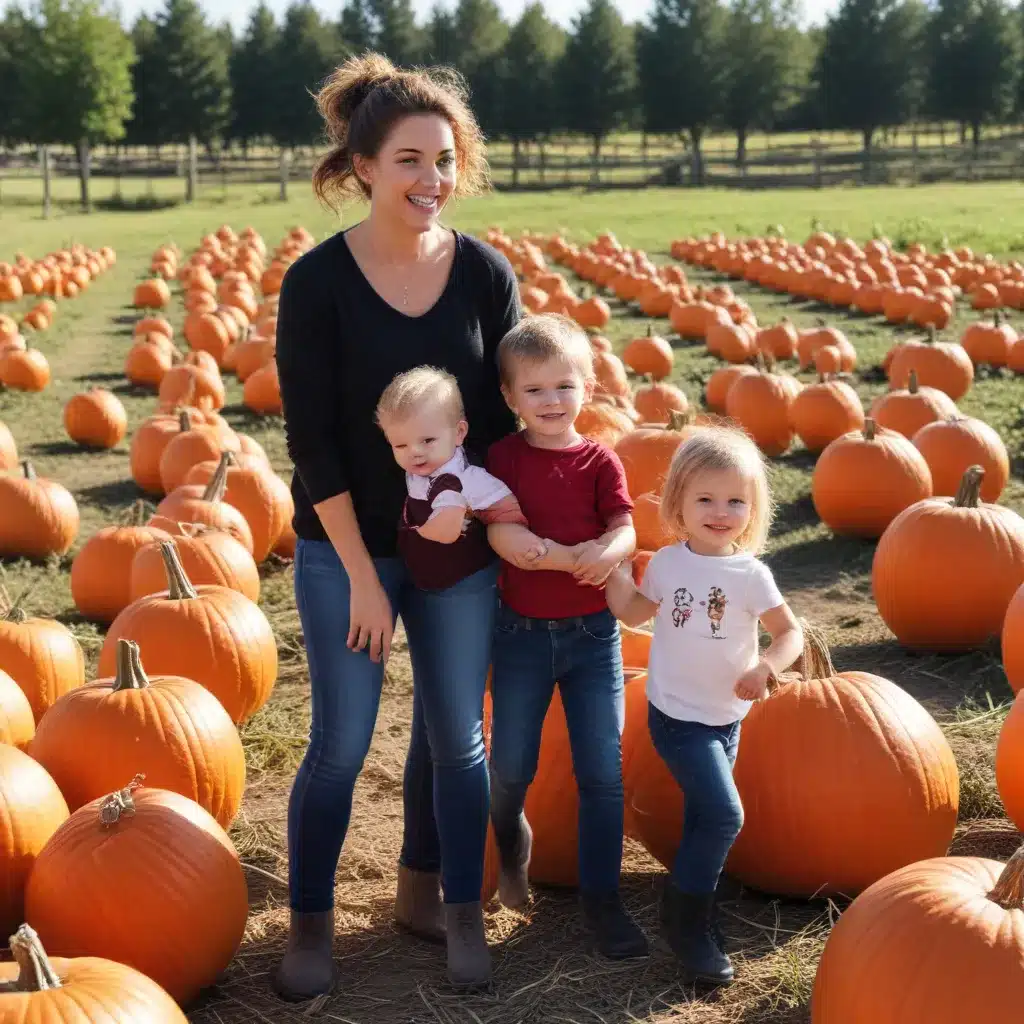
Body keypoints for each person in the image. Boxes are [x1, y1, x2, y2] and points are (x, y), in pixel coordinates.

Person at [273, 51, 523, 999]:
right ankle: (309, 923)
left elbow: (498, 427)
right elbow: (314, 444)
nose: (432, 179)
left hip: (457, 554)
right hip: (351, 551)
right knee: (341, 743)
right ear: (365, 167)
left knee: (459, 737)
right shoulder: (318, 284)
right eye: (411, 160)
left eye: (447, 160)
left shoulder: (486, 274)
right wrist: (366, 577)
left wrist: (508, 528)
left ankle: (459, 910)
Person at [604, 424, 804, 985]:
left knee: (701, 817)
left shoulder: (751, 575)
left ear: (754, 508)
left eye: (735, 500)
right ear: (679, 505)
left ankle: (700, 910)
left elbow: (792, 635)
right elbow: (634, 614)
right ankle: (684, 921)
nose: (721, 512)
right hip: (675, 716)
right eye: (706, 499)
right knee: (724, 813)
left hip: (725, 718)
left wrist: (766, 667)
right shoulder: (668, 565)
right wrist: (613, 571)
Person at [483, 313, 650, 960]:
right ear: (509, 398)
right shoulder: (503, 458)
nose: (551, 402)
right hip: (520, 637)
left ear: (589, 387)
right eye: (535, 391)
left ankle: (602, 900)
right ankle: (513, 846)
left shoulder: (600, 460)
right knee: (512, 767)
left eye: (564, 386)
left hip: (592, 640)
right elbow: (507, 537)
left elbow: (626, 527)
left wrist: (612, 547)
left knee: (602, 773)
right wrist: (579, 557)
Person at [375, 365, 547, 589]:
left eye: (427, 440)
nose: (414, 451)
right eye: (400, 445)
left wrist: (515, 536)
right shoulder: (422, 469)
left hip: (463, 579)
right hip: (425, 572)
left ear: (459, 433)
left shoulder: (462, 480)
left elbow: (504, 511)